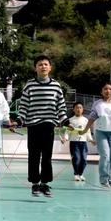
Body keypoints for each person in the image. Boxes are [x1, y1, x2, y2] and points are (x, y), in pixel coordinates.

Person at [17, 55, 70, 197]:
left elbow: (61, 105)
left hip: (49, 125)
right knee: (33, 155)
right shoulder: (30, 85)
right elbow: (24, 105)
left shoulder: (56, 86)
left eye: (46, 64)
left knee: (47, 156)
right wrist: (20, 119)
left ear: (50, 67)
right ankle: (35, 183)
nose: (43, 66)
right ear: (35, 68)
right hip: (33, 125)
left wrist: (65, 120)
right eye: (40, 64)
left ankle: (45, 184)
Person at [60, 102, 95, 182]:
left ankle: (81, 174)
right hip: (74, 142)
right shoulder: (70, 120)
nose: (78, 109)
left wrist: (90, 140)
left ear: (82, 109)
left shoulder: (86, 120)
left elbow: (88, 132)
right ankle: (76, 174)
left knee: (83, 159)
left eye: (80, 108)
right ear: (73, 109)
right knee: (76, 158)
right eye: (76, 108)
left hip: (83, 142)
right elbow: (67, 132)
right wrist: (65, 139)